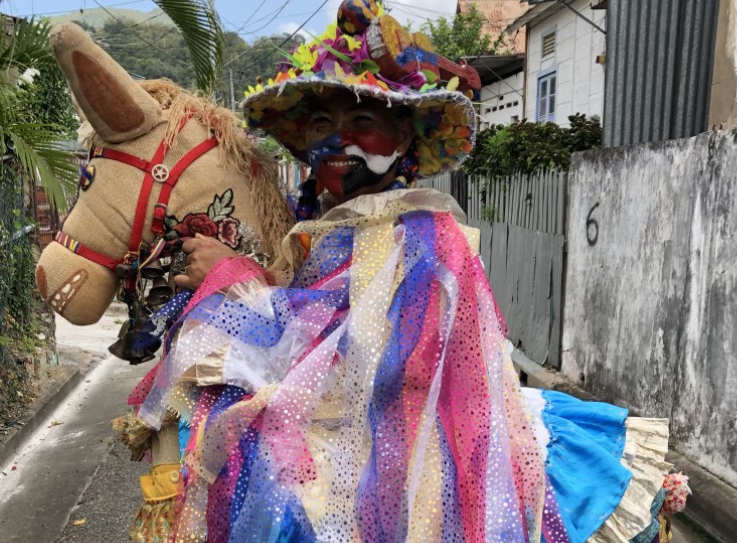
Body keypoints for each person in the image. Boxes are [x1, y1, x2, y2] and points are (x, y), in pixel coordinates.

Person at [127, 1, 689, 541]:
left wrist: (237, 280)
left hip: (412, 450)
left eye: (364, 120)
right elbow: (317, 323)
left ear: (407, 139)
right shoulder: (337, 227)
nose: (339, 137)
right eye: (322, 121)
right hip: (364, 432)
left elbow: (362, 362)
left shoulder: (423, 236)